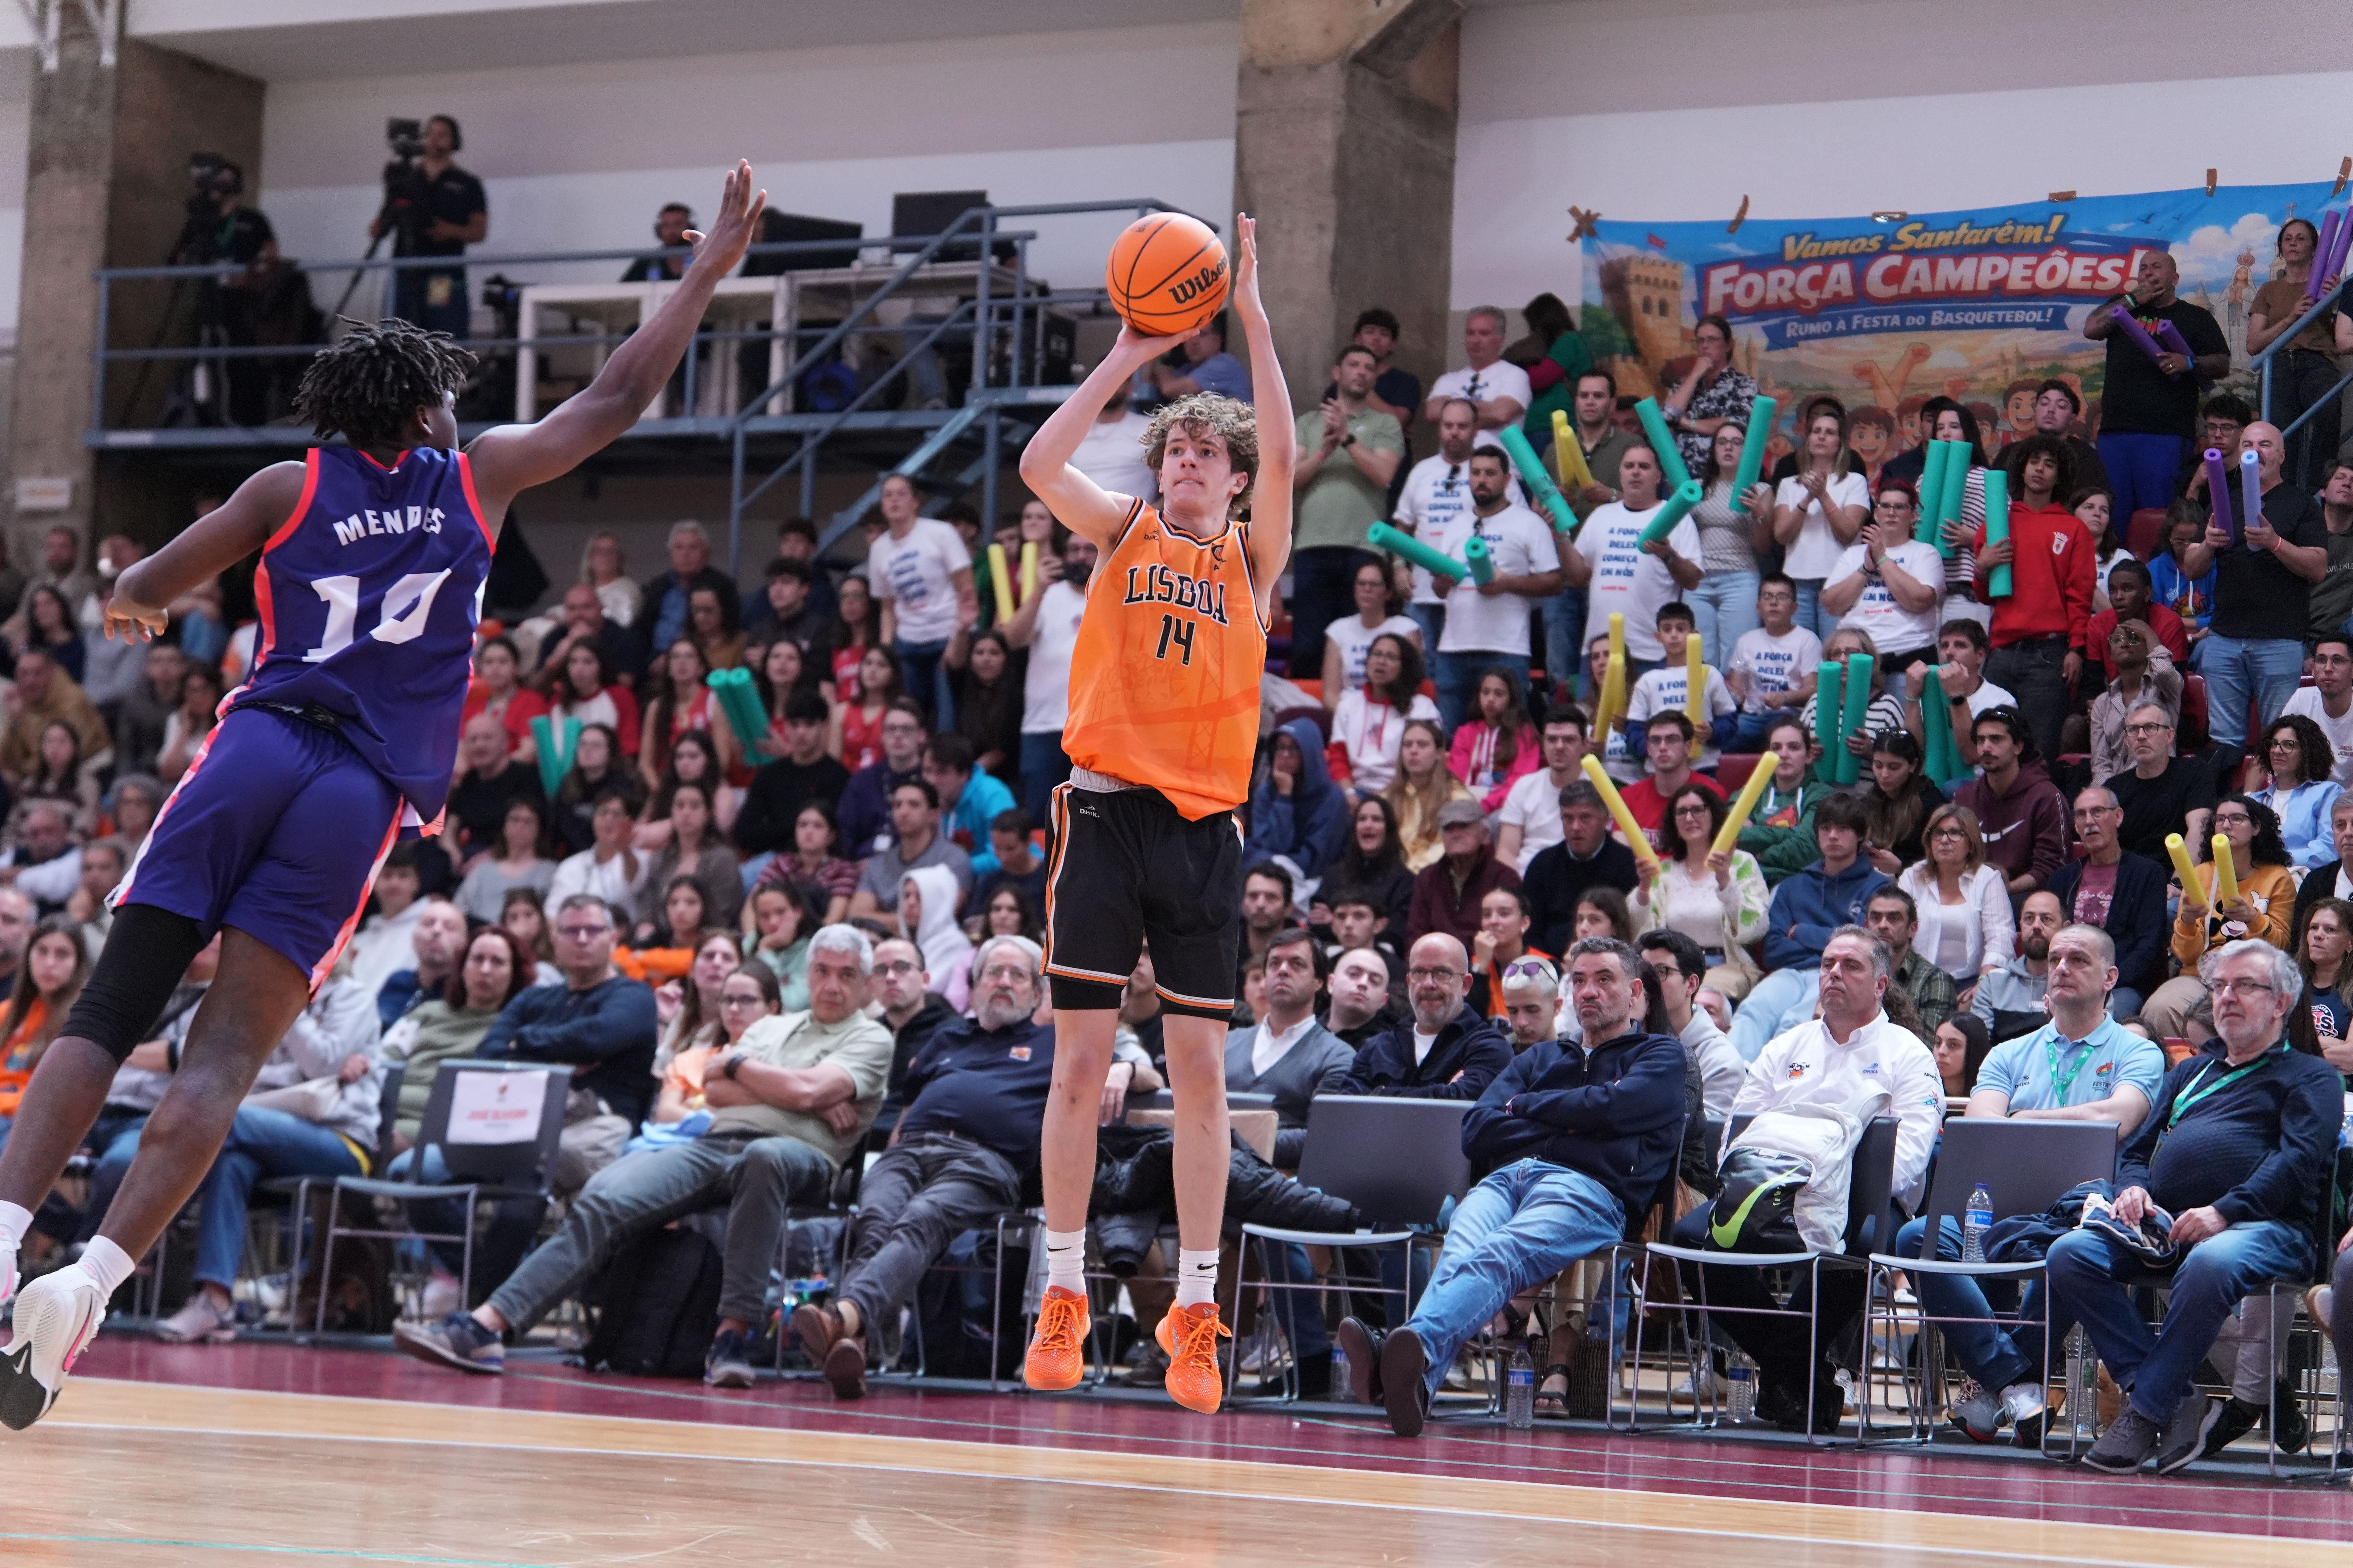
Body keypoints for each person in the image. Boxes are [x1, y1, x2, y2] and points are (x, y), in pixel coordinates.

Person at [0, 166, 769, 1428]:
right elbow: (623, 390)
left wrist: (142, 596)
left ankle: (4, 1234)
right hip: (354, 794)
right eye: (452, 397)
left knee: (115, 996)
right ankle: (85, 1286)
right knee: (226, 1059)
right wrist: (704, 272)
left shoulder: (286, 486)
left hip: (253, 750)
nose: (463, 412)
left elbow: (144, 579)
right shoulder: (480, 481)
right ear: (422, 408)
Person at [1007, 218, 1291, 1413]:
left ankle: (1195, 1308)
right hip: (1108, 816)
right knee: (1078, 1062)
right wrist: (1131, 352)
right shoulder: (1120, 531)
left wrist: (1258, 317)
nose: (1183, 463)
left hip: (1204, 833)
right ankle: (1063, 1292)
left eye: (1200, 456)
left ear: (1228, 482)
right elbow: (1036, 463)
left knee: (1202, 1077)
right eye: (1171, 451)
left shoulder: (1249, 559)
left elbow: (1284, 443)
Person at [398, 923, 888, 1385]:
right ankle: (487, 1327)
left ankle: (730, 1339)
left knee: (765, 1161)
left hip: (801, 1158)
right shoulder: (770, 1028)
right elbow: (716, 1090)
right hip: (715, 1143)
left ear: (866, 984)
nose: (832, 984)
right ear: (807, 974)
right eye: (822, 971)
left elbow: (799, 1091)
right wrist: (778, 1084)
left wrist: (753, 1075)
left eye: (847, 975)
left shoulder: (872, 1038)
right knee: (605, 1199)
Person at [1336, 935, 1685, 1436]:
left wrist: (1527, 1108)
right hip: (1505, 1180)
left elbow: (1617, 1107)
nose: (1589, 991)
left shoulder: (1660, 1057)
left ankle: (1403, 1354)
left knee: (1500, 1253)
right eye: (1580, 980)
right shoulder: (1538, 1060)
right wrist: (1575, 1116)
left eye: (1603, 980)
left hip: (1589, 1190)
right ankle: (1413, 1387)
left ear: (1633, 994)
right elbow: (1477, 1131)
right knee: (1459, 1252)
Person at [2058, 939, 2338, 1476]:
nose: (2226, 997)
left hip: (2270, 1228)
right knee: (2071, 1253)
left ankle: (2142, 1413)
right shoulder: (2190, 1074)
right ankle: (2172, 1396)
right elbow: (2135, 1152)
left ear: (2281, 1002)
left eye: (2244, 986)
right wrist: (2133, 1191)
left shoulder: (2310, 1077)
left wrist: (2225, 1212)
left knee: (2211, 1261)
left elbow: (2297, 1163)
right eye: (2219, 987)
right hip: (2168, 1228)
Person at [1899, 922, 2164, 1446]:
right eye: (2056, 959)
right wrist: (2053, 1120)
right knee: (1917, 1238)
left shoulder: (2138, 1053)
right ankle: (2017, 1384)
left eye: (2079, 960)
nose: (2061, 967)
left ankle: (1996, 1386)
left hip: (2085, 1216)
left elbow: (2121, 1116)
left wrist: (2025, 1120)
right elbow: (1981, 1127)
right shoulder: (2008, 1052)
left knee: (2069, 1250)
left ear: (2110, 977)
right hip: (1999, 1211)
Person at [1686, 926, 1941, 1431]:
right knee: (1690, 1237)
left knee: (1859, 1243)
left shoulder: (1907, 1054)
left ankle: (1787, 1374)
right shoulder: (1788, 1045)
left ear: (1879, 984)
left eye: (1851, 966)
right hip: (1768, 1188)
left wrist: (1828, 1188)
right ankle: (1806, 1376)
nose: (1834, 975)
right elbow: (1736, 1133)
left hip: (1863, 1200)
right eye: (1827, 964)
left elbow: (1909, 1156)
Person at [791, 935, 1064, 1399]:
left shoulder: (1054, 1044)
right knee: (875, 1221)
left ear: (1037, 994)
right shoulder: (948, 1037)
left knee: (921, 1219)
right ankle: (850, 1348)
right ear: (974, 988)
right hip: (910, 1151)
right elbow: (908, 1105)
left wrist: (1121, 1072)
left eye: (1017, 975)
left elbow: (1138, 1073)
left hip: (984, 1163)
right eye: (992, 973)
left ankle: (843, 1319)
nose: (1003, 982)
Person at [152, 966, 381, 1345]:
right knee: (231, 1164)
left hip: (342, 1142)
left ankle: (151, 1225)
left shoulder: (352, 997)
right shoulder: (264, 995)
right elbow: (250, 1072)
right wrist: (297, 1073)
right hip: (267, 1133)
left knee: (222, 1115)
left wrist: (290, 1001)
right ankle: (216, 1302)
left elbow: (321, 1066)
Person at [2177, 423, 2326, 755]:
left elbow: (2317, 567)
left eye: (2265, 444)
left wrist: (2275, 543)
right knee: (2223, 741)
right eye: (2247, 444)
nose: (2255, 450)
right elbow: (2191, 567)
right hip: (2224, 639)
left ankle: (2275, 807)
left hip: (2280, 640)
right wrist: (2208, 546)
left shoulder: (2302, 504)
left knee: (2282, 741)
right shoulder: (2222, 501)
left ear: (2282, 456)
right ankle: (2228, 807)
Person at [1728, 792, 1888, 1062]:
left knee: (1796, 1022)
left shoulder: (1878, 887)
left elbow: (1864, 949)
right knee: (1752, 1011)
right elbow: (1773, 950)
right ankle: (1730, 1086)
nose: (1833, 836)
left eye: (1843, 828)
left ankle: (1779, 1091)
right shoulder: (1793, 886)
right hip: (1790, 972)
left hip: (1841, 975)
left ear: (1860, 835)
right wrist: (1836, 940)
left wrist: (1800, 932)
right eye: (1825, 829)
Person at [1972, 436, 2095, 761]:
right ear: (2021, 469)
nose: (2040, 469)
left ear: (2060, 476)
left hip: (2050, 654)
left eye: (2050, 464)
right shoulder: (1998, 523)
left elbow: (2080, 596)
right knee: (1992, 750)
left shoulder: (2073, 529)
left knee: (2040, 753)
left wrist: (2076, 649)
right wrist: (1981, 569)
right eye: (2034, 462)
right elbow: (1984, 596)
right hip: (2000, 652)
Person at [2138, 796, 2297, 1045]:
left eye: (2237, 819)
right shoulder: (2200, 873)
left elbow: (2281, 945)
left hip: (2251, 977)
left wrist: (2253, 919)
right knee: (2160, 1006)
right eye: (2220, 820)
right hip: (2200, 975)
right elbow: (2185, 955)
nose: (2226, 825)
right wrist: (2188, 922)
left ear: (2256, 828)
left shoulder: (2277, 877)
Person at [2083, 249, 2229, 520]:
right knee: (2112, 516)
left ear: (2174, 278)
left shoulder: (2195, 317)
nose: (2148, 272)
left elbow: (2223, 364)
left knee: (2158, 518)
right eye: (2143, 268)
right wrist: (2133, 299)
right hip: (2115, 431)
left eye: (2156, 267)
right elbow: (2091, 329)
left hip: (2166, 434)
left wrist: (2190, 363)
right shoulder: (2123, 306)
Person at [1288, 344, 1406, 680]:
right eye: (1354, 365)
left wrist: (1347, 438)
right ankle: (1308, 725)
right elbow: (1291, 479)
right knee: (1308, 645)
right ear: (1337, 373)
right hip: (1312, 544)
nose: (1362, 372)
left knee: (1360, 648)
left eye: (1369, 367)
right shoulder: (1308, 422)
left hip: (1363, 550)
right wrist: (1324, 452)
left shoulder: (1386, 423)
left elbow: (1384, 474)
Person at [1428, 450, 1568, 730]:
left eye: (1490, 474)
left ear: (1506, 480)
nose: (1481, 480)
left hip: (1506, 649)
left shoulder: (1529, 523)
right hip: (1453, 649)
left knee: (1510, 739)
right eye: (1476, 473)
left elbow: (1553, 583)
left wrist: (1508, 583)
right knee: (1450, 741)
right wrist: (1442, 582)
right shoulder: (1455, 525)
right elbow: (1440, 591)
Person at [1564, 444, 1702, 677]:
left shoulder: (1676, 517)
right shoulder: (1601, 516)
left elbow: (1692, 580)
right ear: (1621, 474)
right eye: (1629, 466)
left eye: (1644, 467)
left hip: (1650, 652)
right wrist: (1560, 536)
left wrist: (1668, 556)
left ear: (1658, 477)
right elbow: (1577, 577)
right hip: (1599, 651)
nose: (1635, 472)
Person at [1333, 932, 1511, 1100]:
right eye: (1419, 972)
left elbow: (1465, 1107)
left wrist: (1377, 1095)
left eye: (1442, 973)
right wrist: (1445, 1093)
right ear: (1409, 982)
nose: (1428, 984)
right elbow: (1346, 1112)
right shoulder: (1377, 1048)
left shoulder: (1490, 1048)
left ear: (1466, 985)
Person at [1631, 784, 1765, 1003]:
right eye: (1681, 812)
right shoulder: (1662, 871)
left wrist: (1724, 881)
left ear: (1713, 814)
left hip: (1727, 967)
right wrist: (1644, 887)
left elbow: (1755, 930)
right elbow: (1638, 931)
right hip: (1673, 970)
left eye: (1698, 810)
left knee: (1695, 998)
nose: (1689, 818)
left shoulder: (1742, 863)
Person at [2246, 217, 2353, 489]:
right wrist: (2291, 318)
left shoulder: (2331, 285)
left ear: (2315, 248)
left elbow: (2341, 334)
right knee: (2281, 441)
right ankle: (2283, 504)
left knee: (2325, 426)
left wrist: (2335, 301)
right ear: (2281, 248)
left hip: (2318, 363)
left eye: (2301, 238)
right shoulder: (2269, 290)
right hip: (2278, 365)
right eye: (2287, 239)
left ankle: (2318, 499)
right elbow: (2254, 344)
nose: (2293, 243)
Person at [2047, 786, 2169, 1019]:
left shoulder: (2147, 873)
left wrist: (2104, 983)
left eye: (2098, 812)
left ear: (2118, 817)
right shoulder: (2062, 879)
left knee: (2103, 1017)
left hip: (2122, 985)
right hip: (2066, 980)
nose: (2089, 821)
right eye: (2081, 815)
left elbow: (2148, 947)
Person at [866, 475, 976, 728]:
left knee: (946, 718)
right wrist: (886, 649)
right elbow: (887, 607)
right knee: (911, 718)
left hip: (946, 636)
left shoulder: (940, 533)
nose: (894, 500)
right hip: (908, 643)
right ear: (882, 506)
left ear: (915, 502)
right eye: (888, 495)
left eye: (901, 494)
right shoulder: (879, 549)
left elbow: (966, 589)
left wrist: (959, 636)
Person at [1003, 525, 1093, 820]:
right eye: (1074, 550)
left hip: (1092, 731)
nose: (1081, 557)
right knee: (1041, 823)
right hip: (1042, 727)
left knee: (1087, 826)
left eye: (1089, 550)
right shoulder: (1048, 595)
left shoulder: (1114, 596)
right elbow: (1013, 639)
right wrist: (1038, 591)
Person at [376, 115, 486, 338]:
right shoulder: (405, 179)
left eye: (442, 135)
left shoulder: (468, 183)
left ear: (455, 141)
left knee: (442, 336)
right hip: (405, 271)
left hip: (442, 274)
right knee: (399, 340)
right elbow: (380, 226)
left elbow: (479, 232)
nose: (435, 140)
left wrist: (450, 231)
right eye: (430, 134)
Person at [1822, 480, 1945, 678]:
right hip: (1856, 658)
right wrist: (1865, 569)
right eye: (1885, 506)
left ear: (1914, 516)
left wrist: (1881, 558)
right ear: (1876, 514)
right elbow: (1831, 605)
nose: (1891, 513)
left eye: (1900, 507)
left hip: (1907, 656)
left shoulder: (1926, 553)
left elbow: (1920, 601)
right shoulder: (1853, 555)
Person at [1769, 405, 1871, 639]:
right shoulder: (1788, 484)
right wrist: (1807, 498)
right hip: (1797, 582)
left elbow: (1848, 533)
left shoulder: (1854, 482)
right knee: (1802, 656)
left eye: (1829, 432)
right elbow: (1782, 536)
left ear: (1839, 443)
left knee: (1836, 653)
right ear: (1807, 439)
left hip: (1840, 581)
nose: (1822, 436)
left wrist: (1822, 495)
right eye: (1816, 431)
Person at [1894, 802, 2013, 1001]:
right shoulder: (1912, 876)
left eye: (1955, 833)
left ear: (1971, 842)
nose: (1944, 840)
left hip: (1968, 983)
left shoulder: (1988, 879)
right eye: (1938, 833)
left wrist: (1984, 984)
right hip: (1915, 981)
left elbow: (2000, 936)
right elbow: (1897, 930)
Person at [1683, 421, 1777, 664]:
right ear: (1713, 449)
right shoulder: (1694, 488)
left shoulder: (1762, 491)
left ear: (1747, 451)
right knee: (1698, 658)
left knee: (1736, 659)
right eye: (1722, 442)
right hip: (1698, 580)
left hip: (1740, 579)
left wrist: (1758, 514)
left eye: (1737, 443)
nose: (1728, 448)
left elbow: (1764, 548)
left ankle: (1733, 704)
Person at [1391, 397, 1480, 650]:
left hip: (1471, 593)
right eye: (1448, 425)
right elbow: (1403, 525)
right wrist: (1399, 567)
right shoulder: (1422, 472)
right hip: (1422, 594)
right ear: (1439, 428)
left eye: (1462, 426)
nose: (1454, 432)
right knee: (1419, 673)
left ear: (1476, 429)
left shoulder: (1488, 471)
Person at [1951, 707, 2067, 895]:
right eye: (1981, 740)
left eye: (1996, 739)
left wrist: (2004, 890)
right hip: (1969, 895)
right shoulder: (1963, 799)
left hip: (2025, 898)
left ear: (2018, 747)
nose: (1986, 747)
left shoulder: (2046, 798)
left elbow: (2053, 868)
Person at [1521, 779, 1641, 957]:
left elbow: (1628, 930)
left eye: (1585, 818)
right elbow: (1530, 930)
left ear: (1606, 818)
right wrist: (1551, 966)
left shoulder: (1627, 863)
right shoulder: (1542, 865)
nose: (1576, 827)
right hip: (1547, 966)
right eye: (1568, 818)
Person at [1637, 928, 1745, 1114]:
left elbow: (1707, 1134)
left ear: (1691, 984)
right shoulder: (1623, 1036)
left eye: (1661, 971)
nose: (1647, 982)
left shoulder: (1720, 1059)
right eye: (1641, 971)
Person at [1622, 606, 1737, 776]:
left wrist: (1712, 731)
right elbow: (1634, 727)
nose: (1674, 635)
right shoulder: (1648, 680)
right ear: (1658, 636)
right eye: (1667, 630)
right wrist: (1651, 748)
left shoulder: (1710, 674)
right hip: (1660, 770)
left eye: (1681, 629)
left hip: (1702, 766)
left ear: (1694, 634)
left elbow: (1730, 720)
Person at [847, 780, 971, 935]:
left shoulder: (952, 859)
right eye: (898, 805)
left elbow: (938, 918)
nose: (903, 812)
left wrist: (879, 916)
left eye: (914, 805)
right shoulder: (876, 864)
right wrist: (907, 921)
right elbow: (856, 918)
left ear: (933, 815)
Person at [2103, 699, 2214, 864]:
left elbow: (2199, 830)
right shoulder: (2114, 788)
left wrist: (2179, 882)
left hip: (2181, 877)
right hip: (2131, 880)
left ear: (2169, 736)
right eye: (2133, 730)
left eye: (2150, 728)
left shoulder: (2194, 772)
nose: (2141, 736)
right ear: (2126, 740)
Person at [1331, 632, 1436, 799]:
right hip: (1356, 791)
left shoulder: (1421, 708)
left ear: (1404, 667)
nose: (1381, 661)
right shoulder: (1348, 705)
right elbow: (1338, 757)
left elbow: (1428, 762)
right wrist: (1349, 793)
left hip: (1405, 792)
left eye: (1391, 657)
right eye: (1377, 655)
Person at [1405, 799, 1520, 951]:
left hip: (1485, 965)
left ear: (1485, 834)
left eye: (1464, 826)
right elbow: (1416, 935)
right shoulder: (1427, 878)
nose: (1456, 834)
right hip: (1436, 964)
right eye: (1449, 828)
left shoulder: (1504, 878)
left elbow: (1507, 937)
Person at [2084, 616, 2180, 784]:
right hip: (2117, 792)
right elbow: (2101, 764)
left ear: (2149, 650)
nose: (2124, 644)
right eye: (2117, 640)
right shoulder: (2102, 702)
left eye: (2134, 639)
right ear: (2110, 653)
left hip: (2160, 784)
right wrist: (2113, 796)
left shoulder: (2164, 690)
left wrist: (2149, 633)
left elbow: (2165, 672)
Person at [1494, 706, 1589, 873]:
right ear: (1543, 744)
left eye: (1569, 740)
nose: (1559, 747)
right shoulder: (1525, 786)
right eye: (1552, 740)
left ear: (1585, 745)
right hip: (1525, 878)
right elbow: (1506, 852)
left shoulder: (1600, 789)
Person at [1734, 719, 1826, 885]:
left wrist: (1758, 851)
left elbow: (1806, 850)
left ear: (1809, 756)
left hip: (1795, 882)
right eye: (1776, 748)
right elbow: (1728, 833)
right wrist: (1788, 834)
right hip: (1746, 878)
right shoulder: (1753, 790)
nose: (1784, 754)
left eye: (1794, 747)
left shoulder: (1822, 795)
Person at [1423, 306, 1531, 445]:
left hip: (1498, 462)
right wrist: (1486, 410)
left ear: (1501, 340)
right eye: (1470, 333)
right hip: (1452, 463)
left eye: (1484, 334)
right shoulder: (1448, 380)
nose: (1476, 340)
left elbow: (1501, 414)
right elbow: (1432, 413)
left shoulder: (1515, 375)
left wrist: (1452, 412)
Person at [2249, 714, 2344, 870]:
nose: (2277, 751)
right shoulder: (2256, 801)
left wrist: (2280, 861)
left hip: (2308, 882)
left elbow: (2330, 847)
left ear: (2308, 751)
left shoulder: (2328, 793)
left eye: (2288, 745)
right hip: (2259, 881)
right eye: (2273, 744)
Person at [1862, 886, 1959, 1034]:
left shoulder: (1935, 980)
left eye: (1894, 919)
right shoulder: (1851, 972)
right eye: (1876, 918)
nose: (1883, 925)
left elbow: (1926, 1046)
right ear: (1865, 925)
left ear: (1913, 929)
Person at [1855, 730, 1942, 874]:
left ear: (1913, 765)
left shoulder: (1930, 803)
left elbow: (1940, 861)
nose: (1884, 775)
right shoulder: (1870, 801)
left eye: (1894, 767)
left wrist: (1901, 867)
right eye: (1878, 766)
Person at [1448, 668, 1539, 802]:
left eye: (1499, 694)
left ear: (1511, 699)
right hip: (1468, 802)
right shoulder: (1466, 732)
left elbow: (1520, 783)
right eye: (1485, 693)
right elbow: (1456, 777)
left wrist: (1487, 804)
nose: (1491, 699)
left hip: (1508, 805)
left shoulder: (1525, 734)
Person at [2285, 632, 2353, 787]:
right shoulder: (2301, 699)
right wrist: (2248, 801)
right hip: (2308, 797)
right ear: (2314, 669)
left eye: (2338, 661)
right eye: (2321, 660)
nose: (2328, 668)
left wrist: (2334, 807)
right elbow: (2269, 755)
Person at [2028, 378, 2111, 495]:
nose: (2051, 410)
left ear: (2072, 419)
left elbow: (2098, 502)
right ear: (2035, 411)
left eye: (2061, 406)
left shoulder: (2087, 458)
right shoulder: (2010, 453)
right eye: (2045, 404)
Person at [1148, 313, 1251, 403]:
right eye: (1189, 337)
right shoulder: (1189, 369)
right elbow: (1148, 381)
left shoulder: (1224, 364)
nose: (1194, 342)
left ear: (1217, 342)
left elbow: (1169, 389)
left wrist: (1161, 369)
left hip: (1236, 425)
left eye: (1203, 335)